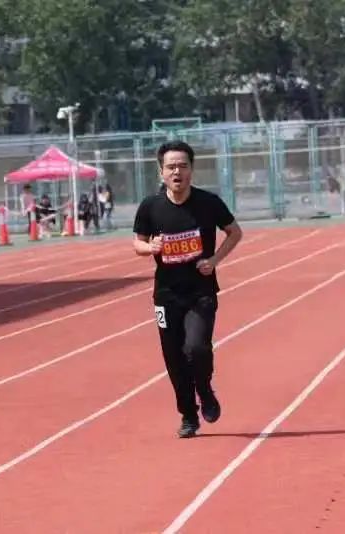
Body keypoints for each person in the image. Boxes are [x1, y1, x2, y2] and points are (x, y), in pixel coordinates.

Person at [132, 140, 243, 439]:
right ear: (161, 172)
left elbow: (235, 232)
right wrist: (150, 248)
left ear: (192, 169)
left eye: (183, 166)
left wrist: (214, 260)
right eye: (171, 167)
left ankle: (204, 390)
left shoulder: (208, 203)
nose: (177, 172)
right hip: (166, 295)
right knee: (174, 357)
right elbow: (137, 243)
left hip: (200, 291)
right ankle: (188, 415)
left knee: (196, 347)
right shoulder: (151, 207)